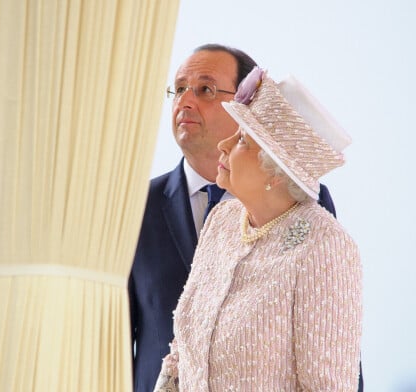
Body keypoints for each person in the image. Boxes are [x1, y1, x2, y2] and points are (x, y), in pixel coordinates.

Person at [128, 44, 349, 391]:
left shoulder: (317, 226)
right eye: (179, 88)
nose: (185, 102)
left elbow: (332, 351)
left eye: (205, 89)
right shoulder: (207, 220)